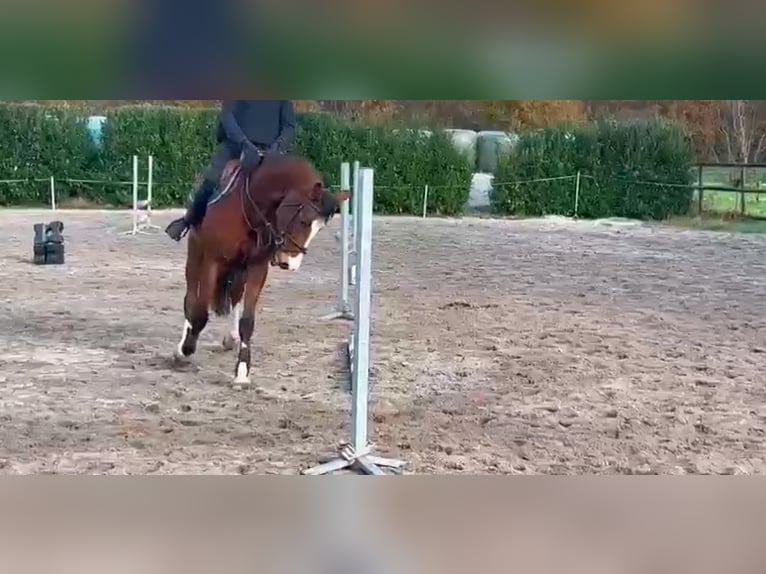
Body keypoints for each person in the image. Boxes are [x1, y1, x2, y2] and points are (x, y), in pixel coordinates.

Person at [164, 99, 296, 241]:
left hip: (269, 151)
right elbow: (227, 117)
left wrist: (277, 147)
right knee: (210, 181)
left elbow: (289, 126)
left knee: (291, 191)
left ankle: (286, 238)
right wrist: (244, 142)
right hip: (235, 146)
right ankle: (189, 220)